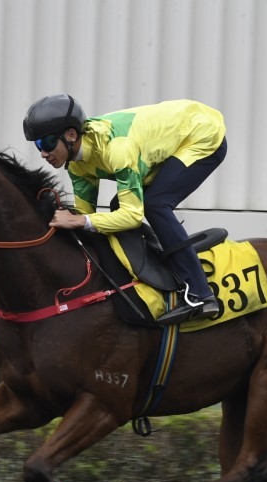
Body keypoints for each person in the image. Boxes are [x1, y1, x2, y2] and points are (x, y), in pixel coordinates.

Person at [23, 94, 227, 324]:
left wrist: (78, 221)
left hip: (202, 134)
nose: (42, 153)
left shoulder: (116, 149)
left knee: (154, 204)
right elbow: (85, 219)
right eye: (38, 145)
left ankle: (201, 294)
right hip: (167, 140)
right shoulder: (78, 166)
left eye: (47, 143)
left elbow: (129, 217)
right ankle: (157, 260)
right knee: (117, 206)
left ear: (71, 135)